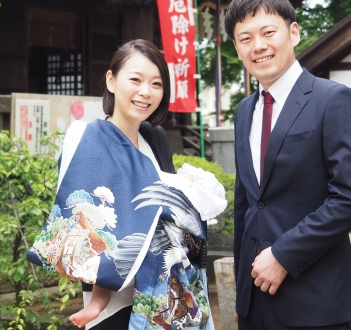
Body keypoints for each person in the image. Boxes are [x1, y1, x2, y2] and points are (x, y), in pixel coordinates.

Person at [28, 39, 225, 330]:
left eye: (156, 84)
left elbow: (165, 214)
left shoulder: (155, 138)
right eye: (135, 79)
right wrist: (99, 300)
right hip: (112, 303)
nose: (146, 92)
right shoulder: (88, 138)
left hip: (163, 297)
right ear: (111, 80)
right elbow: (91, 225)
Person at [227, 0, 351, 330]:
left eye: (268, 32)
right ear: (237, 48)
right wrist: (241, 292)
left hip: (314, 297)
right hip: (254, 301)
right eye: (245, 38)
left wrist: (282, 255)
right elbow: (246, 205)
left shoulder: (333, 100)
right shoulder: (244, 111)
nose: (258, 46)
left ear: (293, 32)